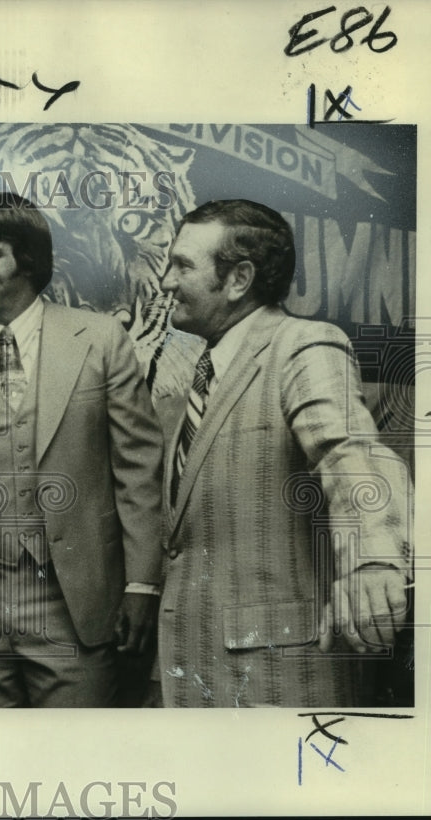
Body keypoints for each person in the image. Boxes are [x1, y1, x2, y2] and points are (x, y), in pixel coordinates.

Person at [0, 191, 164, 707]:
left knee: (70, 770)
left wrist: (143, 586)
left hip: (76, 608)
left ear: (29, 261)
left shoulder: (101, 342)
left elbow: (139, 475)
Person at [158, 198, 412, 707]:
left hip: (278, 680)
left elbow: (353, 452)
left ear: (238, 279)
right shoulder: (204, 372)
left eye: (183, 265)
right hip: (200, 672)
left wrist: (373, 562)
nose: (166, 281)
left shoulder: (303, 345)